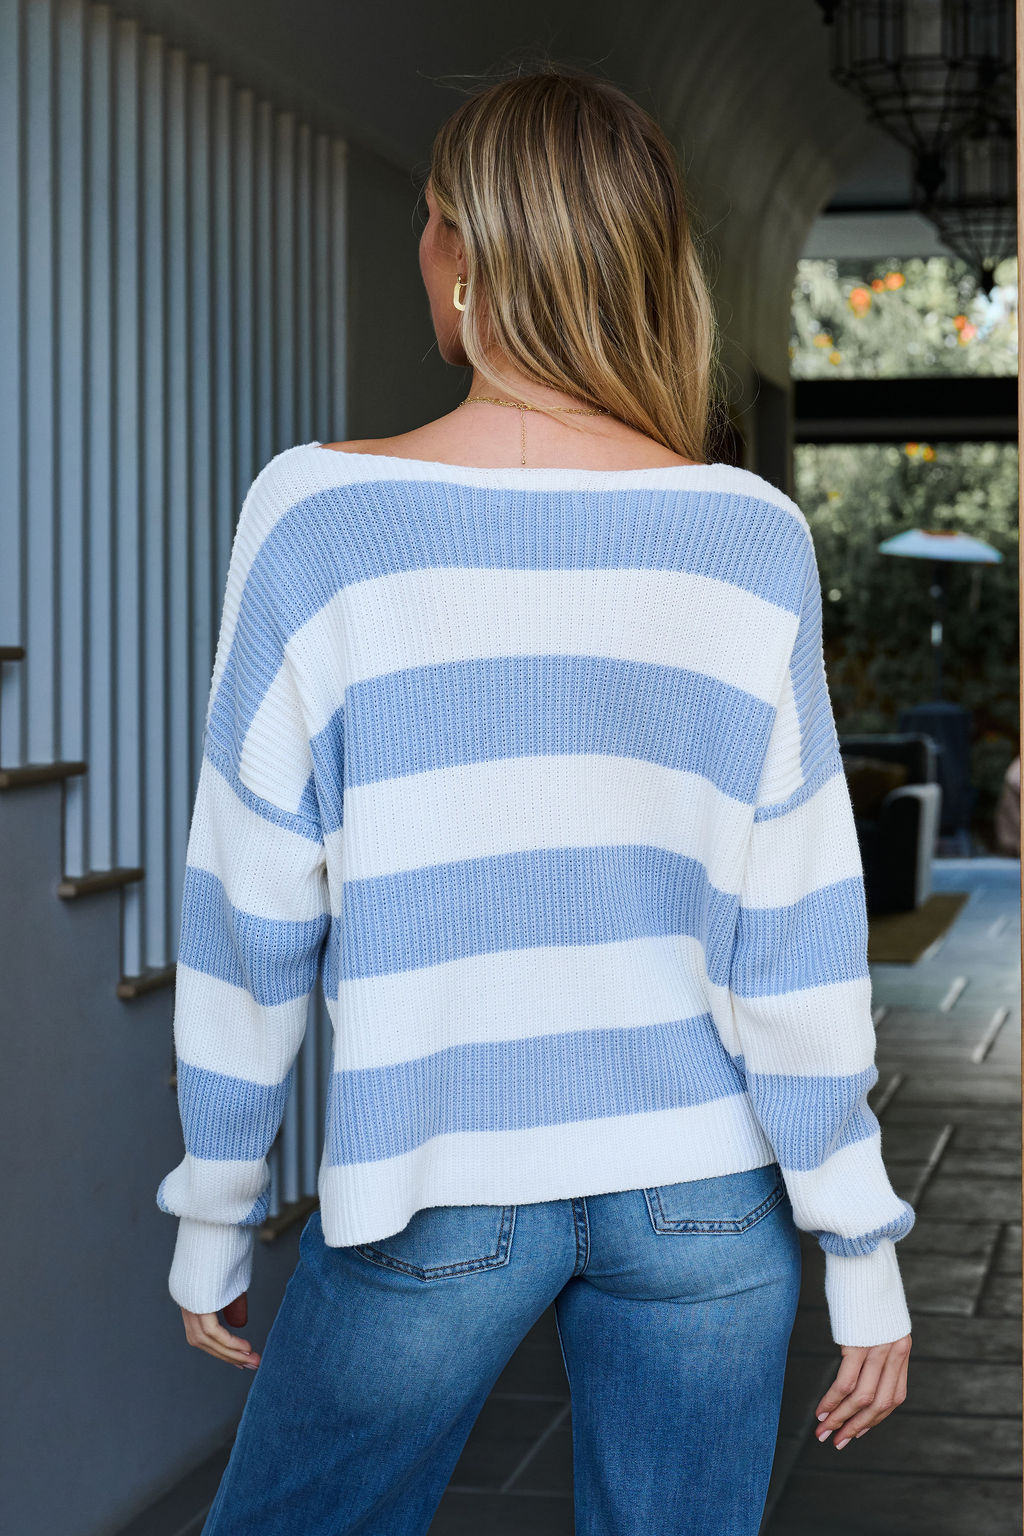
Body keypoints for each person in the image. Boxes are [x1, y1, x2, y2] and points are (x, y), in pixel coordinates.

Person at [157, 65, 913, 1536]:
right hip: (710, 1203)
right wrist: (861, 1249)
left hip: (436, 1180)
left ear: (455, 253)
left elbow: (252, 909)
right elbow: (799, 937)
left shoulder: (316, 519)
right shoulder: (748, 537)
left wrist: (214, 1203)